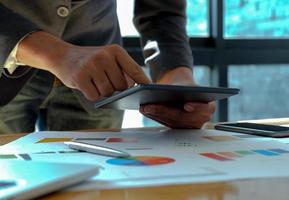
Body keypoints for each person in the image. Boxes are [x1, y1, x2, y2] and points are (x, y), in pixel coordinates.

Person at [0, 0, 215, 134]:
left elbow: (161, 12)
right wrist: (56, 53)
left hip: (103, 84)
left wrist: (176, 77)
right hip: (6, 69)